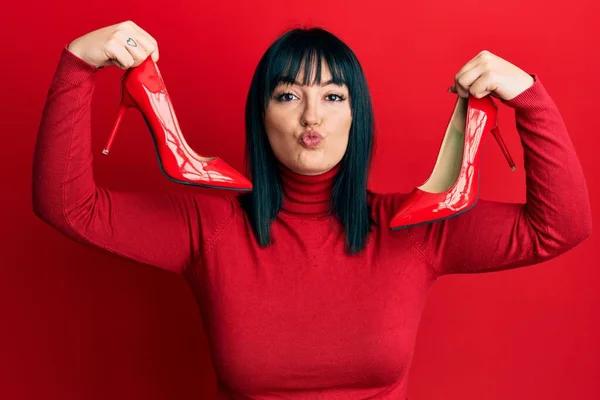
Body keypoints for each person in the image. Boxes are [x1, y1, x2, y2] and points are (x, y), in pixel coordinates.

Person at [32, 20, 592, 400]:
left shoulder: (412, 231)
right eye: (287, 94)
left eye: (332, 96)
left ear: (356, 117)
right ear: (263, 115)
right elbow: (69, 206)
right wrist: (79, 64)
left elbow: (559, 226)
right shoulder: (210, 229)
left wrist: (529, 98)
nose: (311, 118)